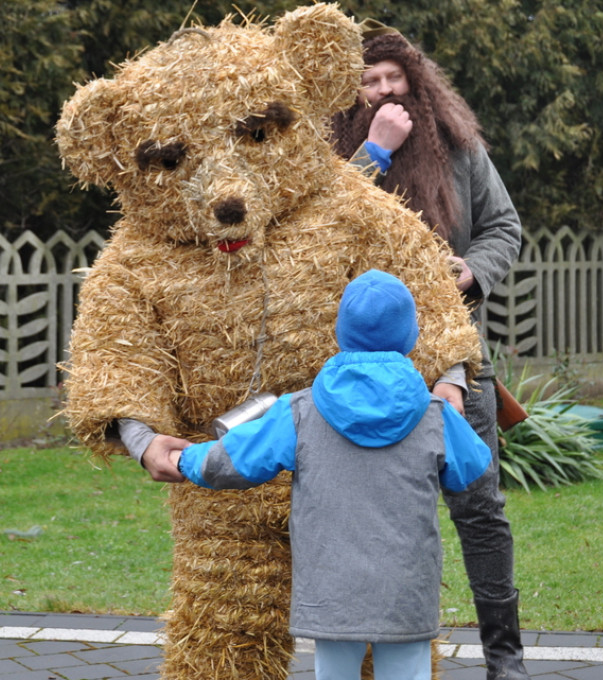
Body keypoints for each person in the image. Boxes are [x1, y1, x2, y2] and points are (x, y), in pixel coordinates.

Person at [169, 269, 492, 680]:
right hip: (406, 590)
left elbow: (233, 461)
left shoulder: (300, 410)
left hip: (330, 590)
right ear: (411, 336)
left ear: (340, 333)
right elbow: (472, 468)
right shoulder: (435, 416)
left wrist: (184, 459)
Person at [329, 22, 527, 680]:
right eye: (369, 81)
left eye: (394, 77)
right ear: (350, 92)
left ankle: (506, 657)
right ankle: (372, 656)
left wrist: (472, 271)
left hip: (455, 355)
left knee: (479, 506)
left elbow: (504, 225)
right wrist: (374, 151)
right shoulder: (332, 151)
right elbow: (321, 226)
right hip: (359, 367)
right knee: (366, 514)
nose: (384, 89)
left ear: (415, 81)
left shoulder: (460, 149)